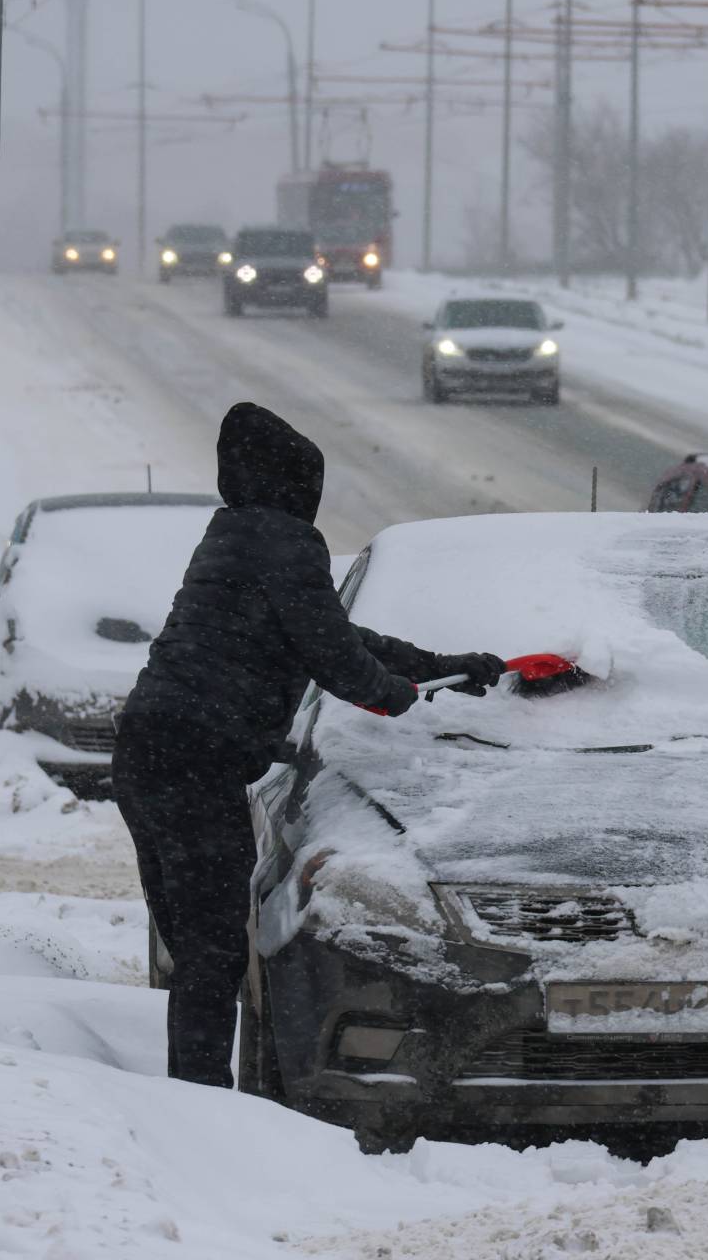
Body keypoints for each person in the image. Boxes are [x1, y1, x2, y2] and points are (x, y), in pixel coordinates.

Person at [113, 402, 506, 1088]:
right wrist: (395, 695)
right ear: (292, 482)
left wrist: (444, 662)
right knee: (211, 952)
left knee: (195, 947)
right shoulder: (283, 542)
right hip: (194, 763)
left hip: (149, 755)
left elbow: (337, 634)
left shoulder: (235, 535)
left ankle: (188, 1091)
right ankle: (198, 1106)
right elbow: (336, 654)